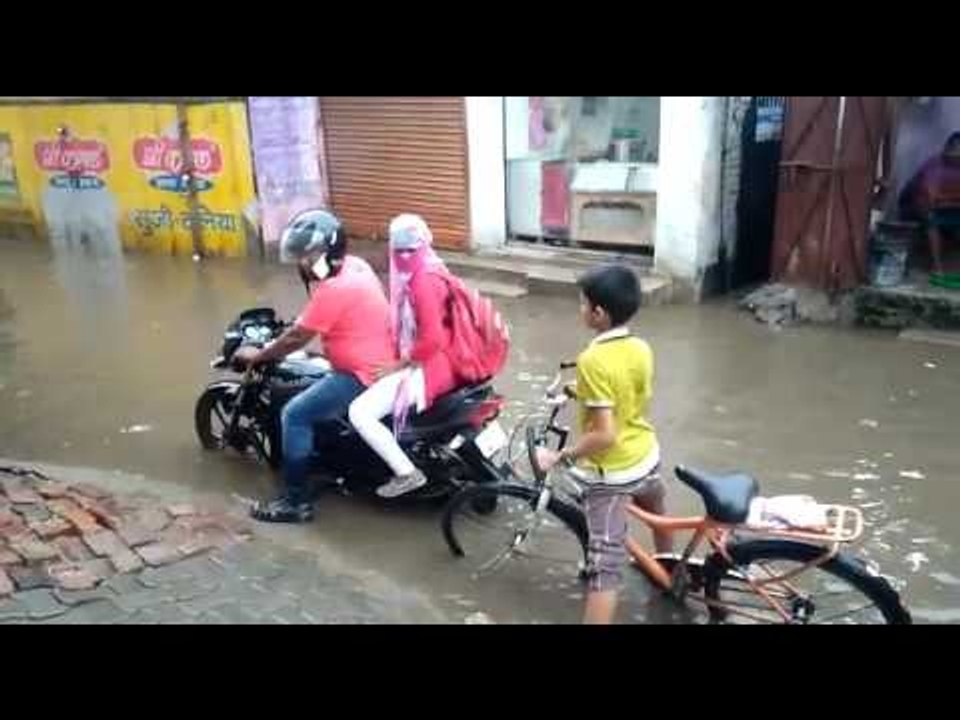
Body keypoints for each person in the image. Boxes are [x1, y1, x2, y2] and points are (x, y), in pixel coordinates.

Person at [233, 209, 394, 523]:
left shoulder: (335, 288)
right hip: (381, 360)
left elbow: (296, 339)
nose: (302, 263)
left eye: (309, 255)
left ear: (329, 251)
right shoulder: (353, 267)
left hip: (360, 374)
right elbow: (317, 319)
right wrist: (301, 323)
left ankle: (295, 502)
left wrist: (259, 355)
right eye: (300, 256)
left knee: (294, 414)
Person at [534, 264, 671, 625]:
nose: (580, 310)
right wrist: (574, 391)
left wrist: (559, 456)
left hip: (614, 472)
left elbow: (605, 435)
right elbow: (624, 390)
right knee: (657, 511)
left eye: (583, 304)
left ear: (599, 313)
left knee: (603, 568)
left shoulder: (593, 358)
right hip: (646, 453)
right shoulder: (639, 347)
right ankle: (670, 572)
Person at [348, 214, 463, 499]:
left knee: (359, 412)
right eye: (399, 250)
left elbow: (431, 340)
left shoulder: (421, 281)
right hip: (450, 361)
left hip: (433, 369)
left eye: (409, 249)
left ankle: (407, 472)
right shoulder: (436, 268)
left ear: (423, 245)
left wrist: (396, 366)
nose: (404, 256)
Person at [898, 132, 960, 274]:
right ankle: (937, 267)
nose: (956, 156)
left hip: (947, 208)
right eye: (954, 151)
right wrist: (950, 203)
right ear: (946, 150)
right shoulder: (934, 166)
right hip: (914, 206)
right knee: (932, 218)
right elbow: (929, 201)